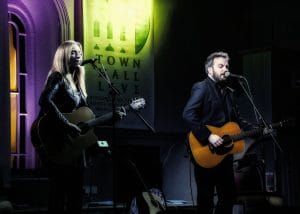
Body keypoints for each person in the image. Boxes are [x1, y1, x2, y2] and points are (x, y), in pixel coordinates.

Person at [30, 40, 126, 213]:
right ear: (64, 55)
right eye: (73, 52)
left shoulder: (78, 84)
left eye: (80, 51)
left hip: (74, 150)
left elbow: (87, 120)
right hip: (56, 142)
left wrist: (112, 117)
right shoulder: (57, 76)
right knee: (58, 197)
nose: (79, 54)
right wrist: (66, 125)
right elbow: (44, 100)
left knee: (76, 198)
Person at [182, 51, 256, 214]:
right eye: (220, 66)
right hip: (205, 150)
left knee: (228, 197)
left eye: (227, 66)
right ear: (210, 70)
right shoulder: (202, 87)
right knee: (206, 199)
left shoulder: (229, 92)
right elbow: (188, 114)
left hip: (224, 154)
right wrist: (209, 135)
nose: (225, 69)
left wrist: (257, 130)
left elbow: (236, 121)